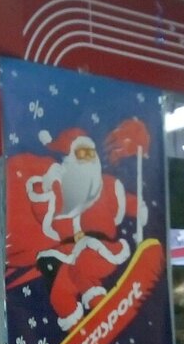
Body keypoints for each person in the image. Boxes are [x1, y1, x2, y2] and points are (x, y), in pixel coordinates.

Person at [18, 119, 148, 331]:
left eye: (90, 154)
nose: (87, 159)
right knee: (59, 292)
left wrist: (139, 210)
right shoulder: (61, 194)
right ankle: (77, 331)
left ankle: (100, 309)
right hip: (71, 253)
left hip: (101, 248)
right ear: (69, 159)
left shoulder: (106, 186)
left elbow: (125, 200)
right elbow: (43, 213)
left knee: (81, 269)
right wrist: (46, 187)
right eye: (81, 154)